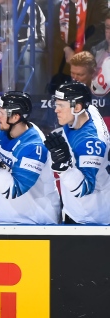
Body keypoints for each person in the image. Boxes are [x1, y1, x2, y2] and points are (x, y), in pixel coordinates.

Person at [0, 91, 61, 224]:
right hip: (6, 218)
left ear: (15, 117)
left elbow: (14, 190)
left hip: (38, 221)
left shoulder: (34, 146)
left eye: (2, 113)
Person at [46, 82, 110, 224]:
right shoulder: (89, 110)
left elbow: (84, 188)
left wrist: (64, 168)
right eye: (56, 104)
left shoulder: (90, 143)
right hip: (76, 210)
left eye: (61, 106)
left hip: (91, 218)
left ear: (78, 107)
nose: (56, 110)